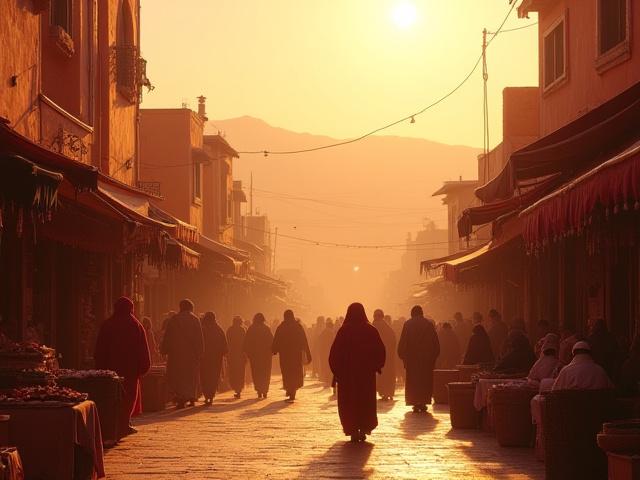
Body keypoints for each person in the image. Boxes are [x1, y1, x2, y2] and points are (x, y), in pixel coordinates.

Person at [329, 303, 385, 442]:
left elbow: (334, 354)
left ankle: (353, 429)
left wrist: (337, 371)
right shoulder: (370, 330)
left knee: (350, 403)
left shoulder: (344, 331)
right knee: (365, 402)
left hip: (347, 377)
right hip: (366, 376)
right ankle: (365, 427)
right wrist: (376, 366)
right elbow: (380, 351)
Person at [95, 297, 151, 434]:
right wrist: (143, 366)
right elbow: (143, 348)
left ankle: (112, 424)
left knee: (111, 397)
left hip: (110, 368)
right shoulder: (136, 325)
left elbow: (100, 348)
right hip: (130, 370)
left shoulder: (108, 324)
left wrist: (100, 366)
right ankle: (124, 424)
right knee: (128, 397)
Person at [161, 299, 204, 408]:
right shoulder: (195, 320)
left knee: (177, 376)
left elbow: (168, 336)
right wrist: (200, 352)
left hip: (176, 354)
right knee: (190, 376)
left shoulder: (174, 320)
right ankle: (190, 396)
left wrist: (164, 349)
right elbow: (199, 338)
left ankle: (180, 397)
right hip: (191, 355)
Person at [397, 305, 440, 413]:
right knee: (424, 381)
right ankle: (424, 401)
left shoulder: (407, 324)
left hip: (412, 359)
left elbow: (403, 342)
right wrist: (433, 358)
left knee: (413, 382)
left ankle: (415, 402)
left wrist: (403, 356)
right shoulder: (429, 324)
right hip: (426, 359)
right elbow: (436, 344)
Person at [272, 309, 312, 401]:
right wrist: (308, 354)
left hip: (285, 356)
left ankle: (289, 388)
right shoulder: (298, 327)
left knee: (286, 373)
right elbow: (304, 341)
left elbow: (276, 340)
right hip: (296, 355)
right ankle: (292, 390)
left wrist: (274, 350)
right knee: (295, 373)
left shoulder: (281, 327)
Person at [200, 312, 228, 405]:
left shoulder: (203, 329)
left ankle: (207, 394)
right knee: (214, 376)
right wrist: (224, 352)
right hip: (216, 358)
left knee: (205, 376)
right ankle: (211, 395)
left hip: (204, 357)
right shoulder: (218, 329)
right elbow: (224, 343)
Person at [244, 313, 274, 399]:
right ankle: (265, 390)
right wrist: (273, 351)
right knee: (265, 373)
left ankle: (259, 390)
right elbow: (272, 341)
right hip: (266, 356)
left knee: (256, 373)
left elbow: (246, 342)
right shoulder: (266, 328)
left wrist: (247, 353)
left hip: (255, 356)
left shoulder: (251, 329)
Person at [372, 309, 396, 401]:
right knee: (387, 374)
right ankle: (388, 393)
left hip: (378, 356)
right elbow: (393, 340)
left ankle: (384, 393)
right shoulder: (387, 327)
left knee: (381, 376)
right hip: (388, 356)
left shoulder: (375, 326)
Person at [227, 316, 247, 399]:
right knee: (240, 372)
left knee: (233, 372)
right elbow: (246, 342)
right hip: (241, 355)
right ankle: (239, 389)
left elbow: (227, 341)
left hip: (232, 354)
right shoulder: (242, 330)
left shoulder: (230, 330)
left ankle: (236, 388)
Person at [318, 318, 337, 388]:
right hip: (329, 352)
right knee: (329, 367)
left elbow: (319, 342)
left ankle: (327, 380)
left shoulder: (323, 332)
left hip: (323, 352)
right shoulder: (331, 333)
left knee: (325, 366)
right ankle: (328, 381)